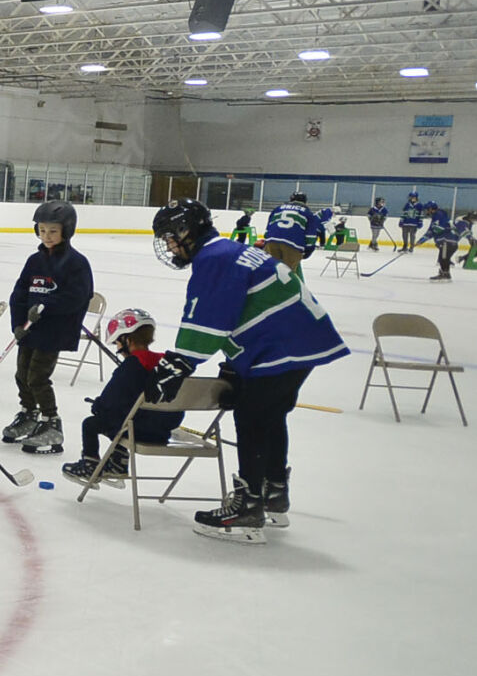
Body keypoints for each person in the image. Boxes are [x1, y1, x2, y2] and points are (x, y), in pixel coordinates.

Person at [147, 198, 349, 542]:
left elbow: (208, 321)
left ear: (187, 232)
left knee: (252, 417)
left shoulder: (214, 259)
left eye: (170, 237)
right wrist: (234, 365)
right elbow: (241, 312)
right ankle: (273, 492)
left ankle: (248, 506)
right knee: (269, 416)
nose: (168, 245)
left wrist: (178, 363)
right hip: (299, 341)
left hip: (281, 346)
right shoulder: (228, 250)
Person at [1, 200, 95, 456]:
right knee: (22, 374)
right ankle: (29, 414)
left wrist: (46, 306)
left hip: (54, 331)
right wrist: (17, 324)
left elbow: (77, 296)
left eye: (53, 231)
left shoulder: (76, 263)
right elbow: (19, 294)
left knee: (38, 377)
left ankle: (52, 422)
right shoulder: (34, 261)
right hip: (30, 330)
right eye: (42, 230)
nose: (47, 236)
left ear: (67, 230)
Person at [61, 308, 182, 487]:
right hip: (163, 431)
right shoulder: (167, 364)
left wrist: (99, 406)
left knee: (93, 423)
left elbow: (111, 399)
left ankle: (90, 463)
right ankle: (117, 461)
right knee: (123, 418)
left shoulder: (132, 365)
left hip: (138, 430)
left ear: (127, 339)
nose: (117, 348)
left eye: (117, 342)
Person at [425, 202, 459, 282]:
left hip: (446, 242)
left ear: (431, 209)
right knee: (444, 258)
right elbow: (431, 230)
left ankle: (445, 274)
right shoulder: (439, 216)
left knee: (443, 258)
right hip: (450, 242)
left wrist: (427, 236)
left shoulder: (438, 215)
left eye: (427, 209)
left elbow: (438, 229)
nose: (426, 211)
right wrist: (422, 239)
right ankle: (446, 273)